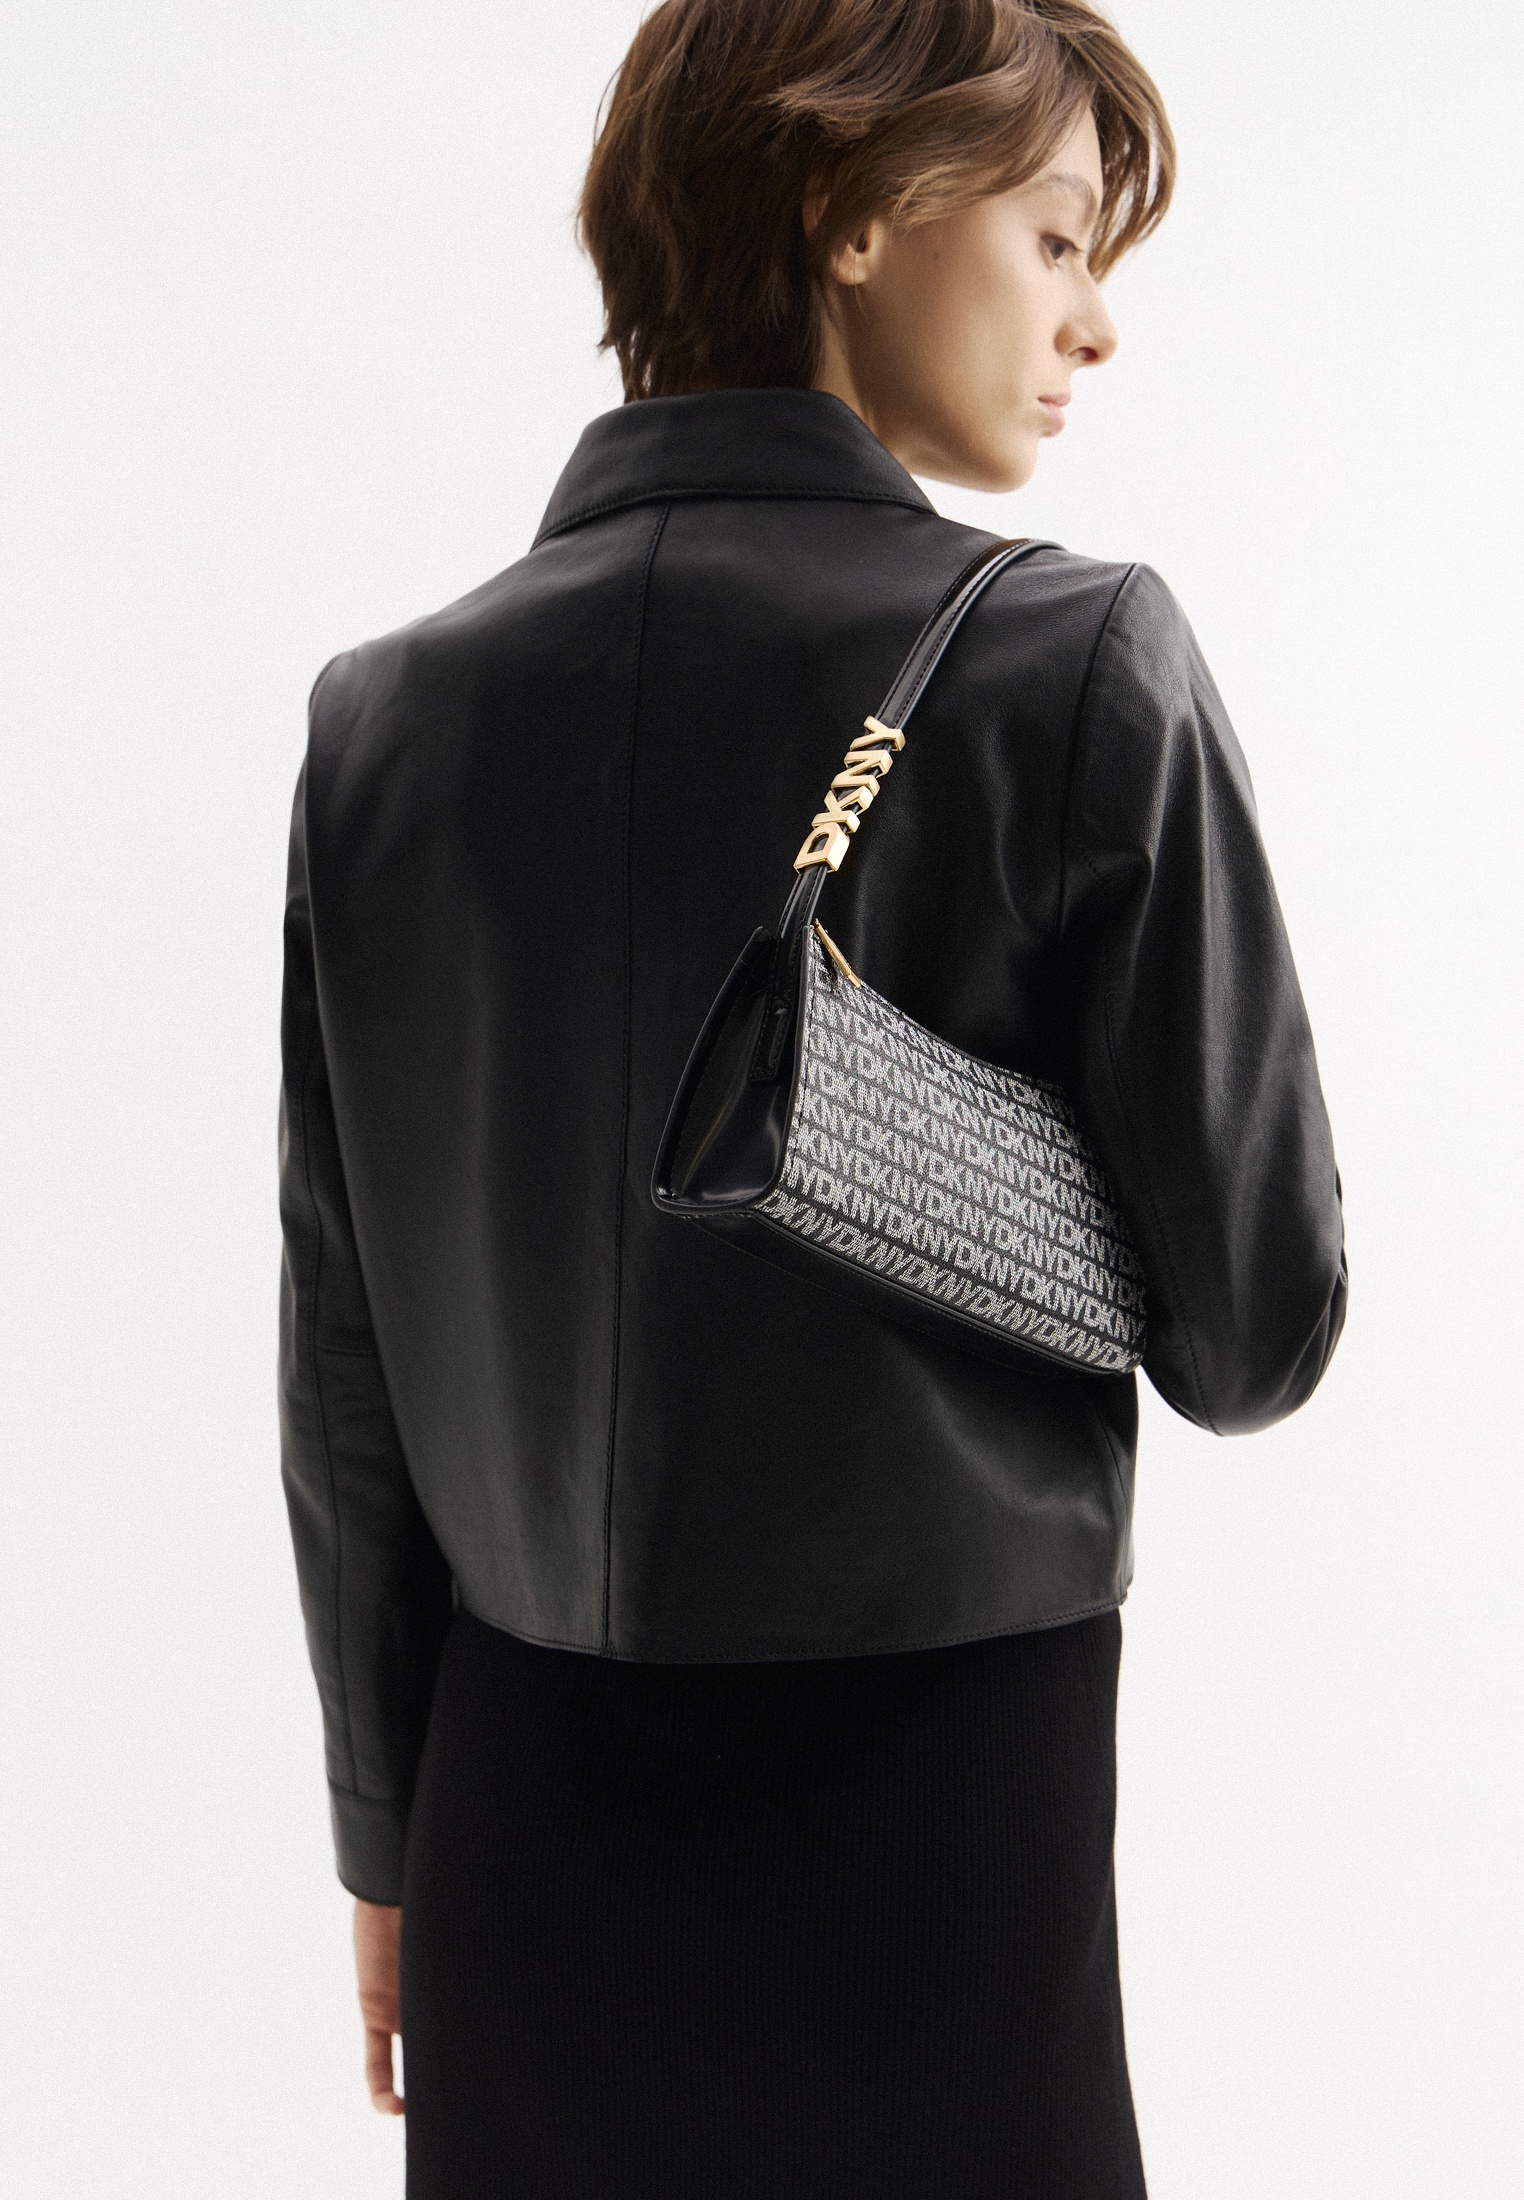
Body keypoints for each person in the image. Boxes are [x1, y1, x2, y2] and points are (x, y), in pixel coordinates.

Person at [277, 2, 1347, 2192]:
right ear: (853, 207)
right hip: (934, 1818)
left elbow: (347, 1356)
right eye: (1059, 238)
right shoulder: (1076, 664)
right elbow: (1257, 1333)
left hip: (512, 1809)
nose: (1096, 324)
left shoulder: (381, 721)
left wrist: (389, 1844)